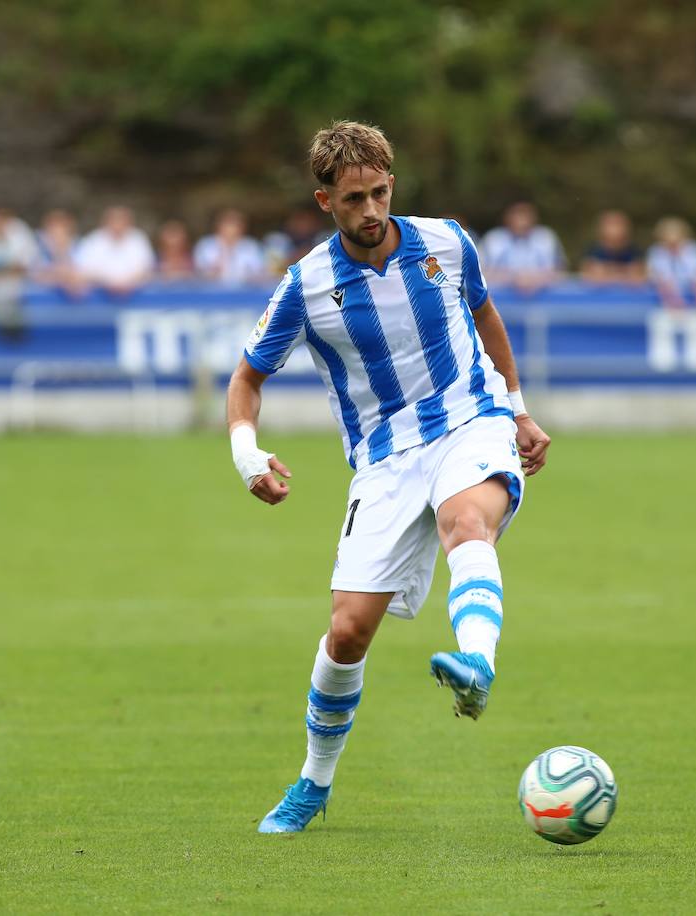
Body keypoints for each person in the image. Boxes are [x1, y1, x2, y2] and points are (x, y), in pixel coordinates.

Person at [226, 120, 551, 834]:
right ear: (324, 201)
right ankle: (313, 784)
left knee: (468, 521)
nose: (370, 211)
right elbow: (247, 378)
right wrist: (248, 454)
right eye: (353, 200)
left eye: (379, 193)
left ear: (392, 184)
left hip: (471, 419)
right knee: (346, 633)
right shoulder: (306, 286)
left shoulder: (446, 243)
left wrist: (519, 410)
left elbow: (486, 315)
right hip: (383, 458)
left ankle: (477, 664)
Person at [480, 202, 565, 291]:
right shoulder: (494, 239)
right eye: (517, 215)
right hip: (498, 298)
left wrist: (535, 280)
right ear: (507, 218)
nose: (521, 221)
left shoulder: (546, 237)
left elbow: (561, 271)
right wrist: (513, 279)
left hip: (544, 299)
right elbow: (479, 273)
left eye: (525, 215)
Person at [74, 205, 156, 297]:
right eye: (114, 220)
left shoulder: (138, 238)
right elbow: (83, 269)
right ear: (105, 221)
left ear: (129, 222)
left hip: (135, 296)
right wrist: (108, 282)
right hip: (99, 297)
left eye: (121, 219)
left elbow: (147, 268)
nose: (117, 224)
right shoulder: (94, 239)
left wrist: (127, 283)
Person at [646, 217, 696, 309]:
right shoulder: (656, 252)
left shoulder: (694, 250)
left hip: (693, 292)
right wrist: (672, 297)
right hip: (664, 298)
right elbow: (657, 277)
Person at [194, 208, 268, 284]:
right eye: (229, 224)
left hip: (244, 290)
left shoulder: (251, 246)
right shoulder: (206, 245)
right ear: (219, 226)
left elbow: (260, 272)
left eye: (236, 225)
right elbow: (199, 272)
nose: (232, 229)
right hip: (212, 290)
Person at [34, 209, 87, 297]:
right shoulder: (38, 245)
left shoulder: (79, 245)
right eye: (54, 226)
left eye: (62, 226)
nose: (58, 231)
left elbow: (83, 272)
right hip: (46, 297)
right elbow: (36, 275)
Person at [580, 210, 642, 282]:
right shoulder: (593, 251)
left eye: (618, 224)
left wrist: (608, 271)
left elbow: (637, 274)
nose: (615, 229)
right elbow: (589, 274)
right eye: (611, 224)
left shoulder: (634, 252)